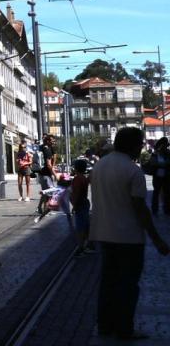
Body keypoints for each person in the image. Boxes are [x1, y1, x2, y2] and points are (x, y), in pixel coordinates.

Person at [90, 126, 170, 339]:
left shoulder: (99, 167)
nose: (142, 146)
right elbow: (140, 209)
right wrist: (157, 239)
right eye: (141, 143)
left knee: (107, 283)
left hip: (103, 234)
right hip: (128, 238)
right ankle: (124, 328)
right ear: (133, 145)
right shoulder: (132, 170)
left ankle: (105, 326)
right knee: (127, 286)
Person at [70, 158, 93, 256]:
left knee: (80, 227)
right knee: (86, 225)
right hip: (85, 203)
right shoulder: (83, 177)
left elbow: (77, 193)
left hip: (80, 204)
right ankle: (89, 244)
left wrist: (74, 205)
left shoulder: (77, 179)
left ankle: (81, 248)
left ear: (76, 168)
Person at [149, 137, 170, 215]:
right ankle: (155, 209)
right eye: (163, 146)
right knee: (156, 192)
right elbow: (152, 163)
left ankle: (167, 209)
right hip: (157, 176)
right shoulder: (155, 154)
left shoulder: (168, 153)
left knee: (167, 193)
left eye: (166, 146)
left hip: (166, 176)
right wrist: (163, 164)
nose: (165, 147)